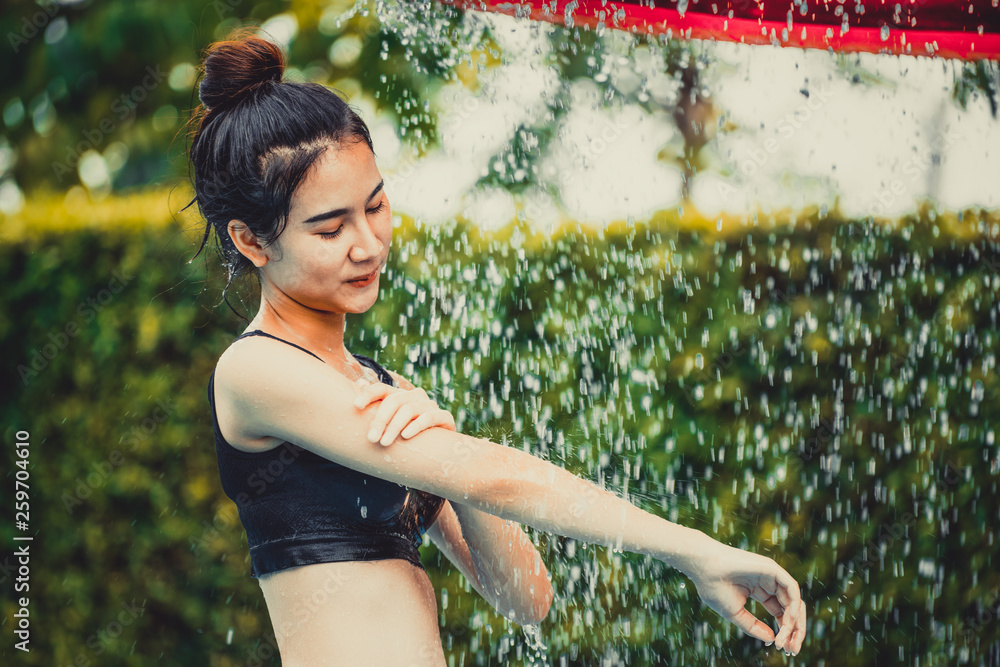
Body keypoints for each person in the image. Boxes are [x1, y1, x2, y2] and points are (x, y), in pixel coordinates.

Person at [184, 28, 806, 666]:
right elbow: (497, 475)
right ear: (253, 242)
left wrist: (449, 460)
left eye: (376, 207)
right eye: (330, 227)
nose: (368, 244)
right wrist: (694, 549)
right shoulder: (255, 370)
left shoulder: (384, 389)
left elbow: (527, 599)